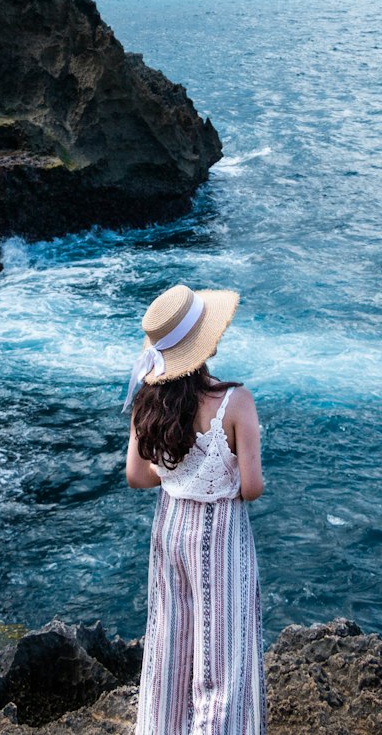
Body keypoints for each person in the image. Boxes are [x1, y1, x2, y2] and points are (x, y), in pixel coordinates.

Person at [124, 283, 265, 735]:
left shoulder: (147, 400)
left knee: (170, 644)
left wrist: (178, 473)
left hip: (170, 526)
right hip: (220, 532)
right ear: (205, 341)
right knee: (223, 654)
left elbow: (139, 477)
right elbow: (252, 486)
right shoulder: (234, 402)